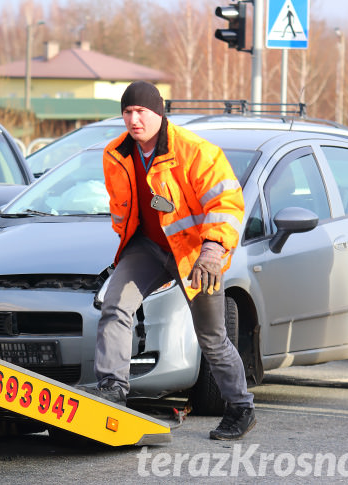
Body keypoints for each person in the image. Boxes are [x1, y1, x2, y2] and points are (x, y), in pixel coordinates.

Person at [84, 80, 255, 441]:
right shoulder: (115, 153)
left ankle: (241, 406)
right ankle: (113, 388)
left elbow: (227, 204)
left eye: (141, 111)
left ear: (158, 113)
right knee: (115, 307)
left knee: (212, 337)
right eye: (127, 112)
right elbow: (124, 207)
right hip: (146, 247)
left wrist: (212, 250)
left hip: (195, 254)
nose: (133, 119)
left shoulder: (196, 151)